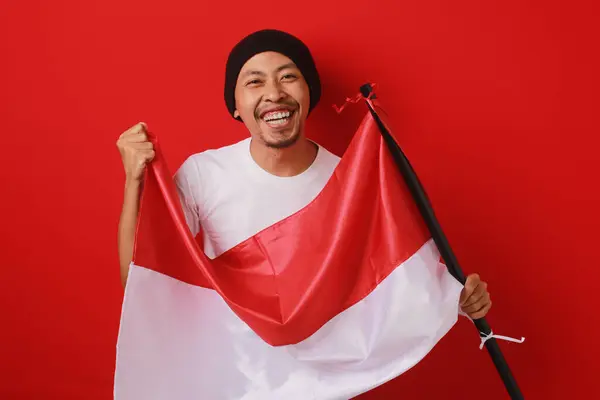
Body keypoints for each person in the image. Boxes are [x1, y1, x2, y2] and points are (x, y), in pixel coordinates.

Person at [115, 29, 492, 322]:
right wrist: (134, 183)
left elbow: (385, 283)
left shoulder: (349, 183)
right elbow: (144, 279)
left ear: (309, 92)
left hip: (324, 379)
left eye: (288, 77)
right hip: (238, 376)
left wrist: (453, 298)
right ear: (235, 106)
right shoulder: (202, 173)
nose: (274, 93)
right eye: (254, 81)